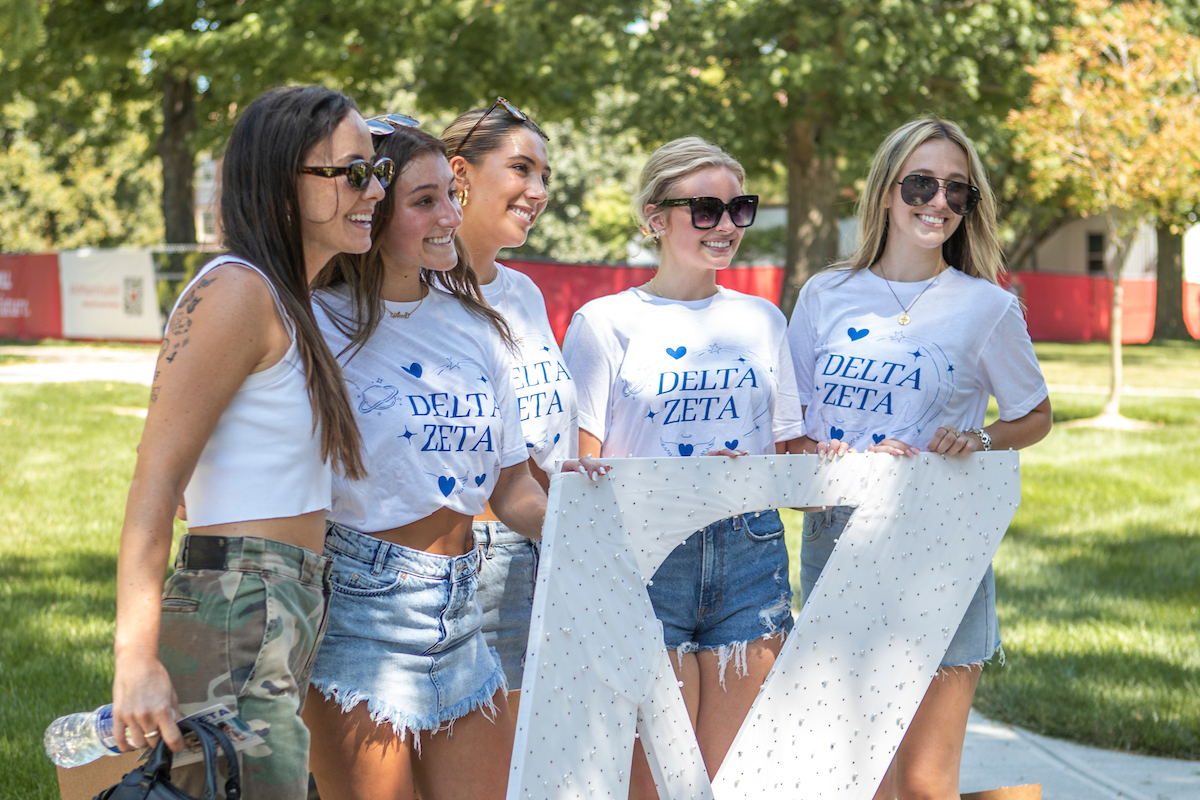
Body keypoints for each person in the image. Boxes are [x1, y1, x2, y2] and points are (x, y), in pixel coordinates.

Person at [302, 117, 599, 800]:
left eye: (450, 196)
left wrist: (585, 534)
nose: (449, 216)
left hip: (463, 608)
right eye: (424, 200)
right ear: (373, 208)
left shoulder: (479, 322)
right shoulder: (314, 323)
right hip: (358, 611)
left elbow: (514, 486)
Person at [110, 85, 388, 799]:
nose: (374, 191)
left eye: (375, 171)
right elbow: (154, 481)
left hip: (281, 597)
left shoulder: (287, 301)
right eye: (353, 172)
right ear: (282, 181)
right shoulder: (236, 292)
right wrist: (135, 657)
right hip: (240, 597)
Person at [787, 117, 1052, 800]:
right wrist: (821, 453)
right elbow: (788, 430)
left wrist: (981, 438)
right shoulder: (825, 295)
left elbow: (1035, 416)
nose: (938, 203)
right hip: (837, 538)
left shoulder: (988, 307)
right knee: (854, 773)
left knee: (925, 782)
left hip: (944, 546)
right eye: (921, 184)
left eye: (956, 192)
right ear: (885, 192)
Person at [562, 136, 807, 795]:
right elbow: (579, 472)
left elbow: (792, 458)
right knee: (655, 784)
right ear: (655, 217)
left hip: (750, 556)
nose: (726, 226)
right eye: (705, 209)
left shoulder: (763, 320)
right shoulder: (602, 323)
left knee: (732, 782)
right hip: (645, 562)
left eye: (739, 209)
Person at [441, 98, 580, 710]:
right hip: (465, 559)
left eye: (545, 176)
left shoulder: (521, 291)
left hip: (545, 548)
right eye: (522, 169)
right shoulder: (410, 294)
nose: (538, 190)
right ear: (460, 174)